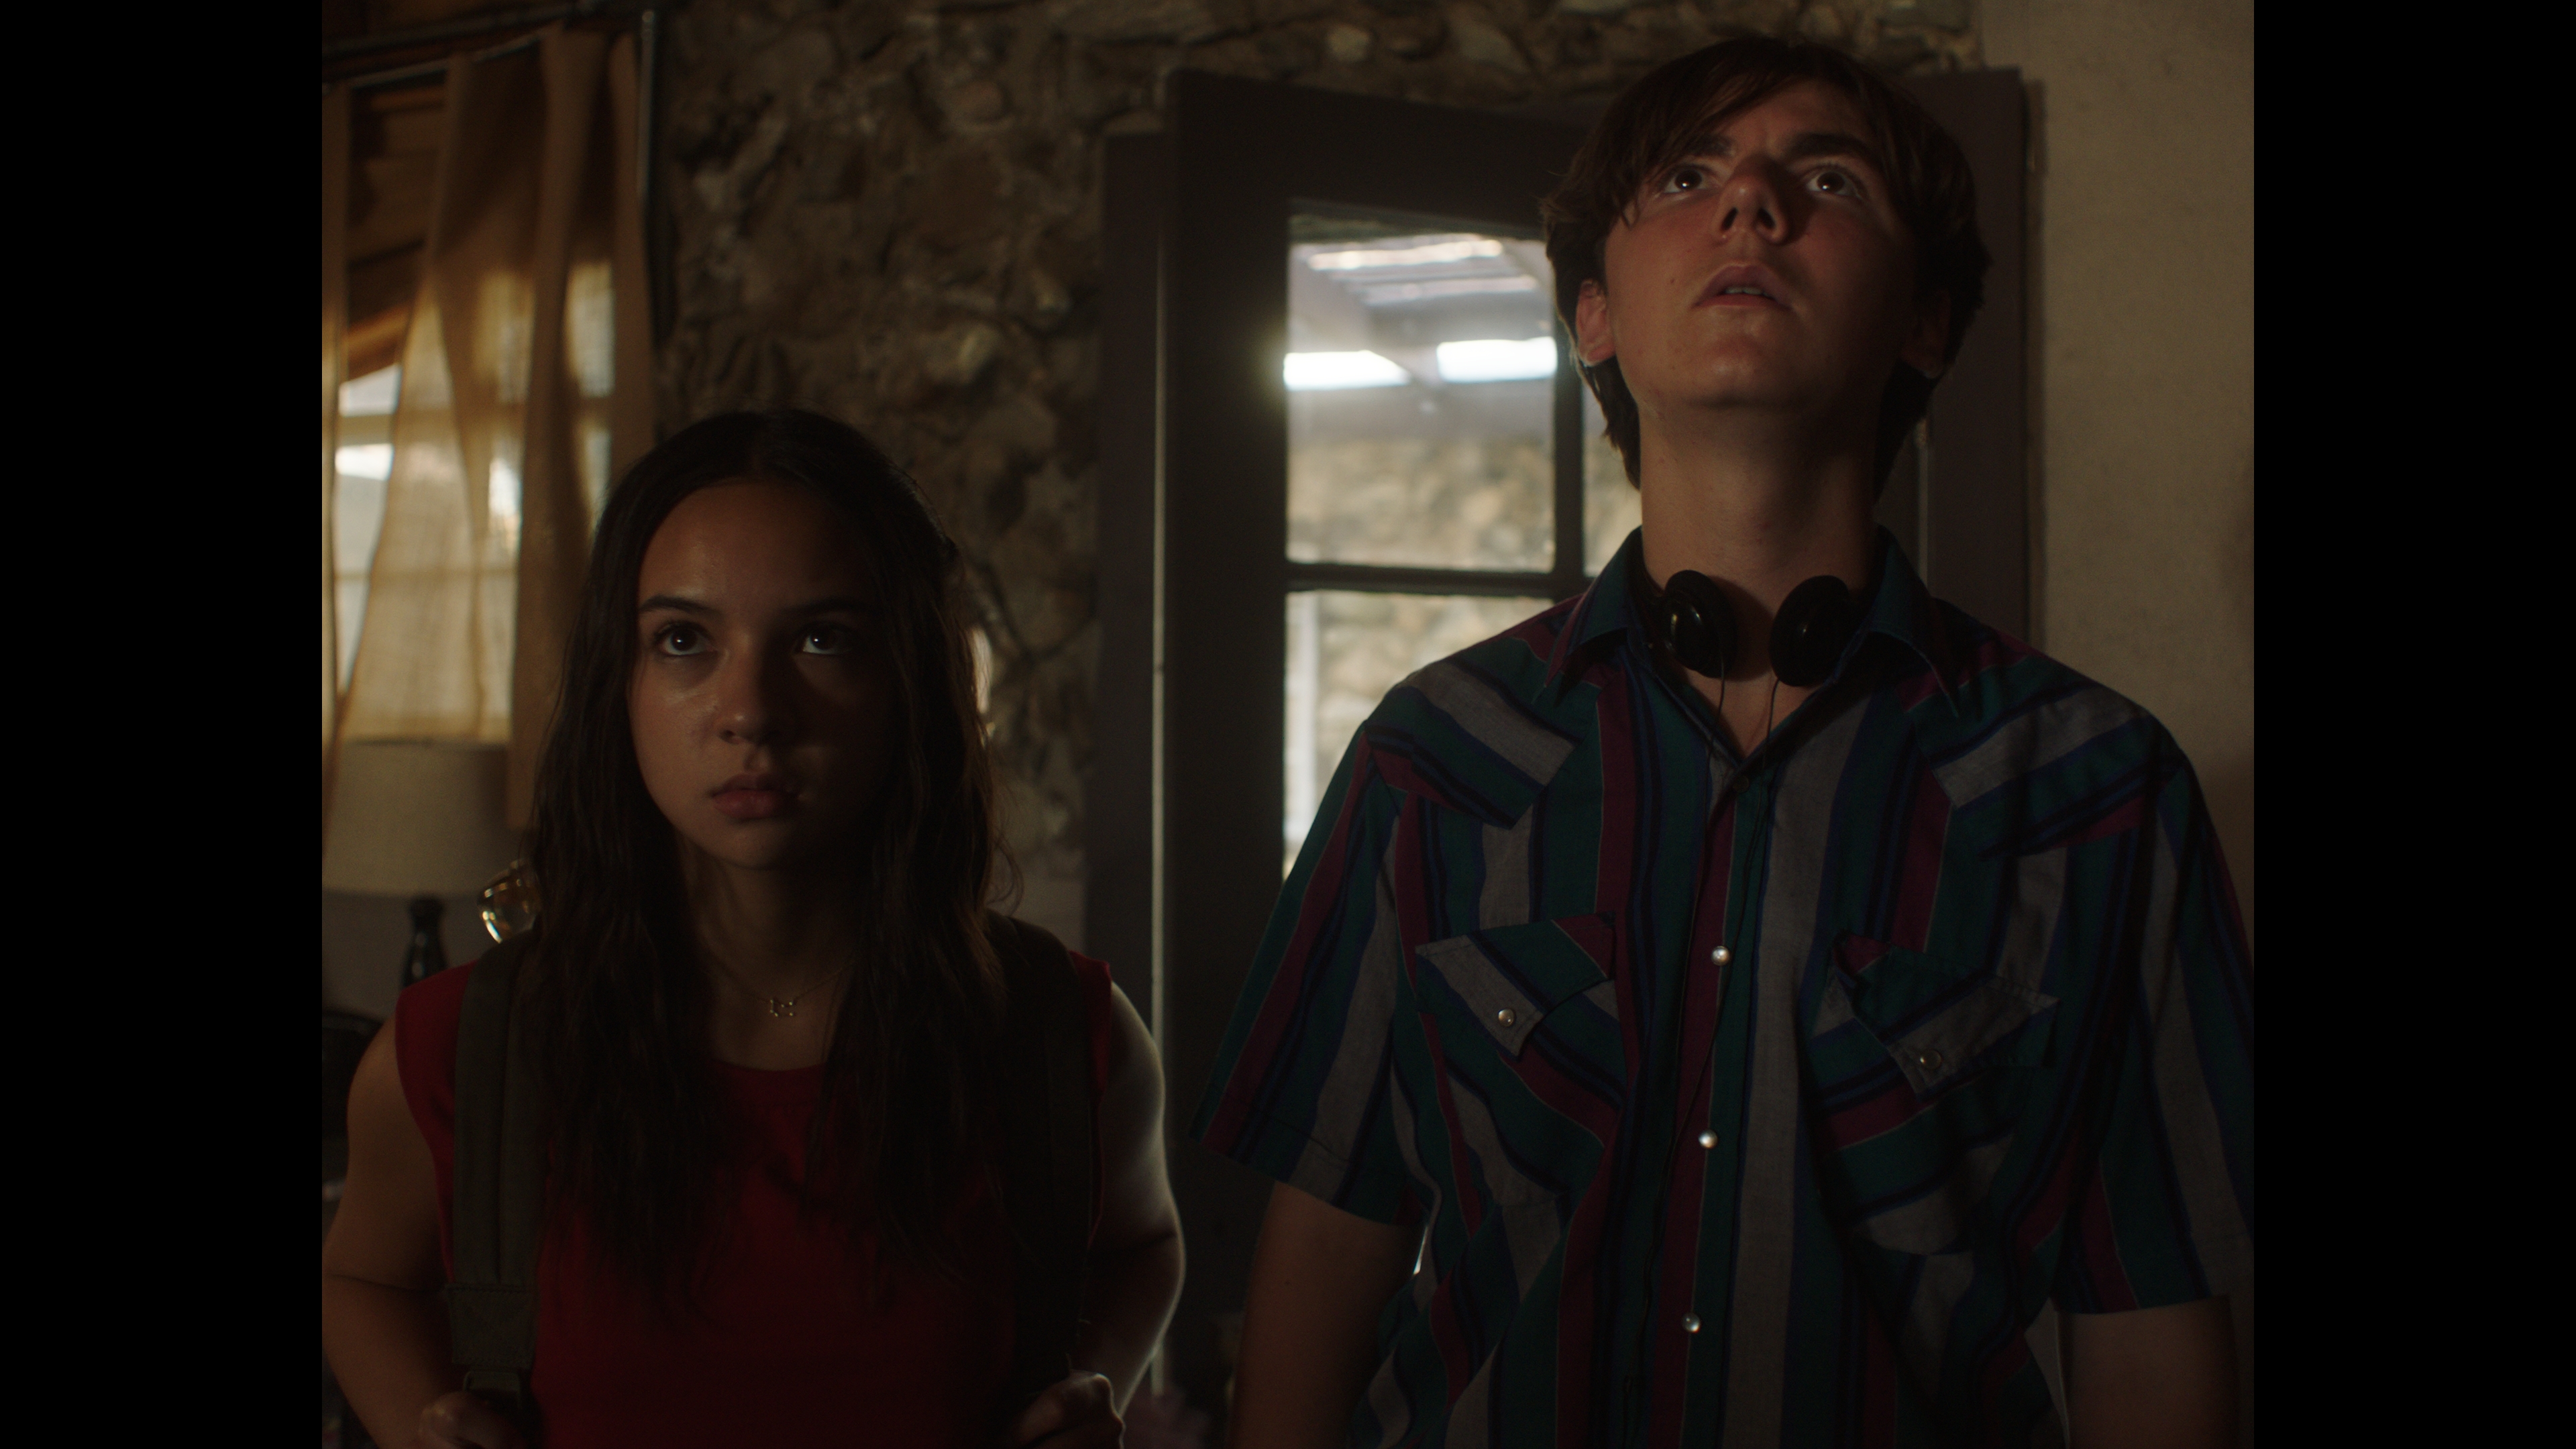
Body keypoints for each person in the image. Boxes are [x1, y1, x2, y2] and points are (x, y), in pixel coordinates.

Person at [1193, 36, 2251, 1448]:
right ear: (1593, 316)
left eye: (1831, 180)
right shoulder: (1433, 758)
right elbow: (1325, 1255)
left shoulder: (2097, 790)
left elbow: (2150, 1333)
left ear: (1928, 322)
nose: (1754, 203)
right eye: (1689, 178)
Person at [323, 410, 1185, 1448]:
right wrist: (418, 1423)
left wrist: (1089, 1382)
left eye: (823, 639)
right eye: (684, 640)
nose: (751, 711)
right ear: (618, 685)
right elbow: (362, 1277)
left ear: (908, 680)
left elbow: (1144, 1247)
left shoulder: (1059, 1033)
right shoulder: (463, 1047)